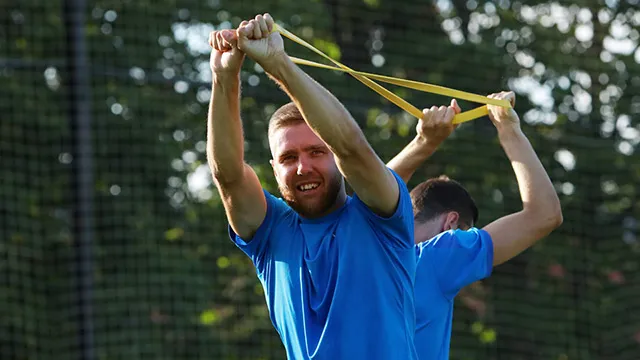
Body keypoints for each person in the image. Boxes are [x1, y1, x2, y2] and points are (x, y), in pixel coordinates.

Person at [206, 13, 455, 359]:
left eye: (316, 152)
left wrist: (280, 64)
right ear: (275, 170)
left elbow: (352, 147)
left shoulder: (381, 215)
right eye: (289, 157)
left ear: (334, 157)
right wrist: (224, 75)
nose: (303, 167)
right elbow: (228, 175)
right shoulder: (270, 234)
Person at [386, 91, 564, 359]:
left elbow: (366, 197)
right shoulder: (438, 256)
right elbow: (545, 215)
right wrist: (508, 128)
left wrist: (424, 142)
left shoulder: (357, 245)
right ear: (451, 223)